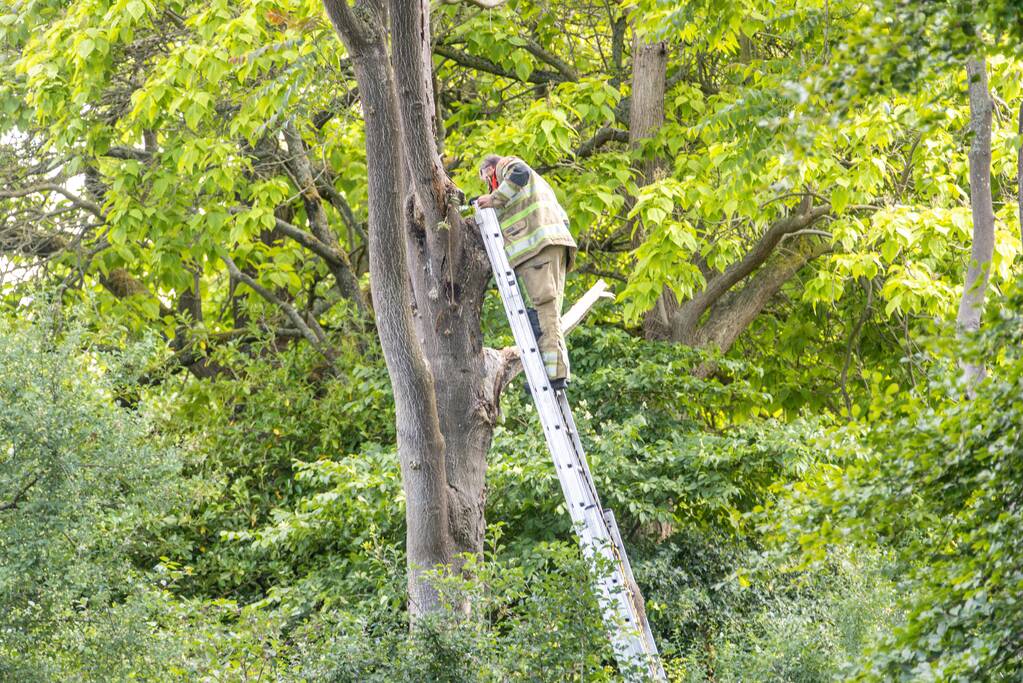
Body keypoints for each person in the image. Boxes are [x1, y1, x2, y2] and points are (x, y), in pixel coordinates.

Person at [476, 154, 577, 391]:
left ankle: (552, 375)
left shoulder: (506, 166)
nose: (489, 186)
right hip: (553, 247)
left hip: (538, 250)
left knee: (544, 311)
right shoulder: (538, 187)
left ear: (490, 169)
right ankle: (552, 371)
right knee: (547, 310)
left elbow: (519, 172)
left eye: (486, 179)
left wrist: (493, 198)